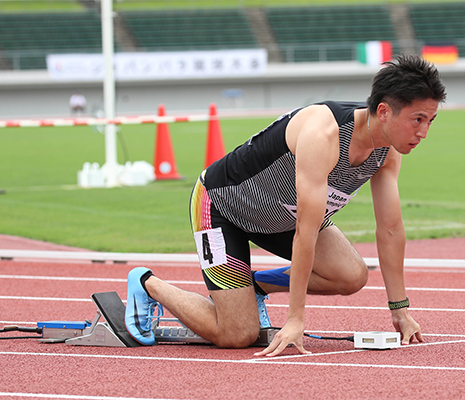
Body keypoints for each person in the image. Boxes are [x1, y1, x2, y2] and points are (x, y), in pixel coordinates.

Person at [123, 54, 446, 356]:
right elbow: (306, 232)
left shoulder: (387, 150)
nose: (424, 132)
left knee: (350, 276)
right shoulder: (324, 133)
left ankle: (255, 286)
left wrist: (400, 311)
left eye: (430, 120)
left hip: (282, 217)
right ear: (385, 111)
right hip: (223, 207)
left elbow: (390, 230)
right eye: (418, 119)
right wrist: (295, 320)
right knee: (237, 335)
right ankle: (147, 283)